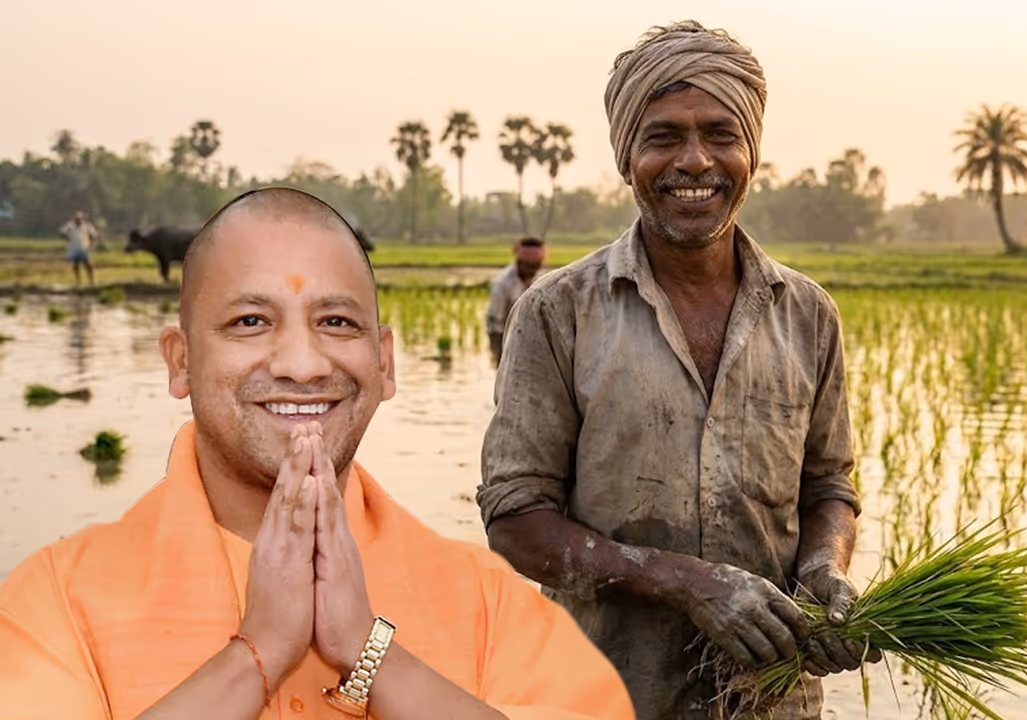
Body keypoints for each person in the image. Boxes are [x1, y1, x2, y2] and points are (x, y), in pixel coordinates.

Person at [0, 187, 635, 720]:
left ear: (383, 365)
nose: (302, 365)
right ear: (181, 360)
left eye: (336, 322)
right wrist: (257, 654)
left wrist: (369, 652)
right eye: (250, 321)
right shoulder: (54, 600)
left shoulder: (493, 604)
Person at [478, 21, 882, 720]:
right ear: (626, 156)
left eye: (720, 135)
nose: (695, 161)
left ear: (751, 152)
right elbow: (515, 520)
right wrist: (684, 582)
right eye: (663, 137)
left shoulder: (808, 315)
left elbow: (830, 486)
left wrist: (825, 567)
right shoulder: (558, 312)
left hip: (771, 699)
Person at [486, 237, 546, 364]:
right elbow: (494, 321)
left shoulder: (544, 279)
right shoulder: (502, 283)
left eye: (536, 266)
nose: (532, 270)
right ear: (520, 261)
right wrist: (501, 354)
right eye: (529, 265)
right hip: (508, 341)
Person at [60, 210, 98, 287]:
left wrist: (90, 243)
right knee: (75, 265)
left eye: (80, 218)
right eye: (77, 219)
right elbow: (62, 232)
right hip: (73, 247)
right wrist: (67, 238)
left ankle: (92, 281)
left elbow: (94, 235)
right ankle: (78, 281)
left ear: (82, 218)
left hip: (84, 247)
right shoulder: (70, 225)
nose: (78, 220)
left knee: (88, 264)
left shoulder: (87, 225)